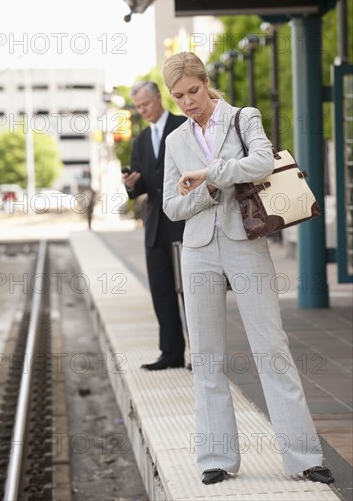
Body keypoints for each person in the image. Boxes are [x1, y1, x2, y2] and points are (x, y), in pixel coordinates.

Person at [162, 51, 334, 486]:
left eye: (193, 91)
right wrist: (205, 190)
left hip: (245, 242)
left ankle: (303, 457)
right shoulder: (175, 141)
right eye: (179, 96)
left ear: (206, 83)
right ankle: (215, 458)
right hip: (198, 249)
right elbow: (171, 206)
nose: (188, 102)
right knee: (205, 356)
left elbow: (261, 162)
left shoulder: (243, 117)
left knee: (271, 348)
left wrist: (210, 173)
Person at [123, 80, 187, 371]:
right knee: (161, 291)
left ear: (159, 98)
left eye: (145, 104)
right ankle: (171, 353)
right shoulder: (140, 140)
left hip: (184, 223)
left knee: (192, 292)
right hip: (155, 226)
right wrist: (131, 185)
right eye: (138, 106)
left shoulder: (184, 126)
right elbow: (142, 186)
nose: (142, 110)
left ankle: (201, 355)